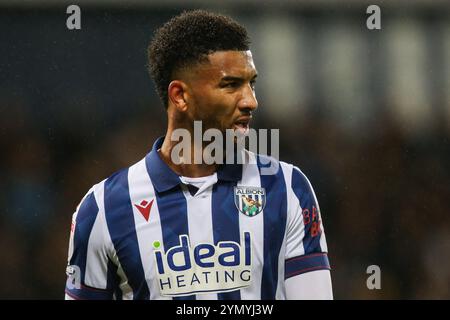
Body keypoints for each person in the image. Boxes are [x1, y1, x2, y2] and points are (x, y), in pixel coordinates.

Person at [64, 9, 333, 300]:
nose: (251, 101)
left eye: (251, 83)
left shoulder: (287, 188)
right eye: (231, 85)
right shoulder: (103, 208)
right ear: (180, 95)